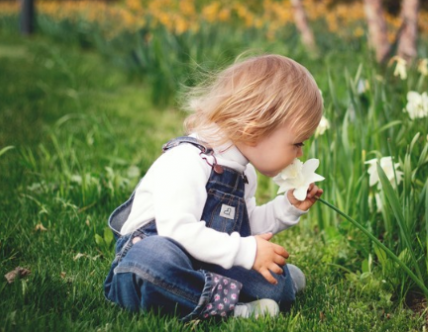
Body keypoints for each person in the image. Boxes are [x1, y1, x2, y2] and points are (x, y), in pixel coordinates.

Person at [103, 54, 324, 321]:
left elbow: (245, 227)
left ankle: (212, 290)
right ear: (255, 128)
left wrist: (287, 207)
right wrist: (246, 252)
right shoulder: (188, 160)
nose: (299, 154)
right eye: (297, 143)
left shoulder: (244, 173)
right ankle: (232, 309)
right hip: (159, 253)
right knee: (151, 264)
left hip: (206, 258)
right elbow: (177, 231)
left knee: (277, 285)